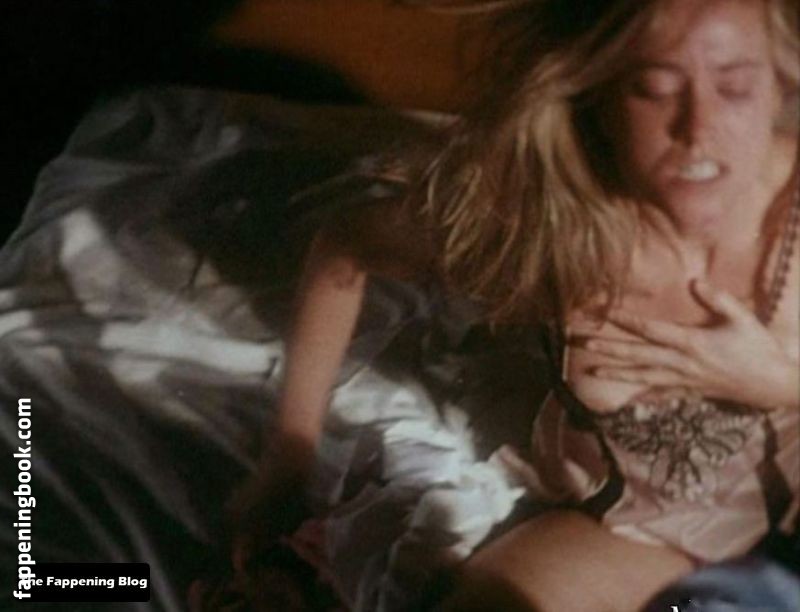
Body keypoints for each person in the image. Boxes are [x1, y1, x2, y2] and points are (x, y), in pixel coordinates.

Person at [231, 0, 799, 610]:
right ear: (599, 99)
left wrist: (780, 383)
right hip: (645, 534)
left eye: (735, 87)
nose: (697, 130)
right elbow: (346, 247)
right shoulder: (546, 229)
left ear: (780, 85)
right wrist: (290, 457)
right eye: (653, 90)